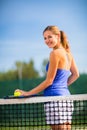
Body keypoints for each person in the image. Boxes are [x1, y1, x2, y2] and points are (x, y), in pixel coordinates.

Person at [15, 25, 79, 130]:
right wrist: (61, 86)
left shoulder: (54, 53)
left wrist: (28, 93)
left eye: (49, 37)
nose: (47, 40)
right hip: (67, 99)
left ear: (58, 36)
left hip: (54, 100)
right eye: (45, 38)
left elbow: (49, 81)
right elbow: (76, 74)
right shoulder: (68, 54)